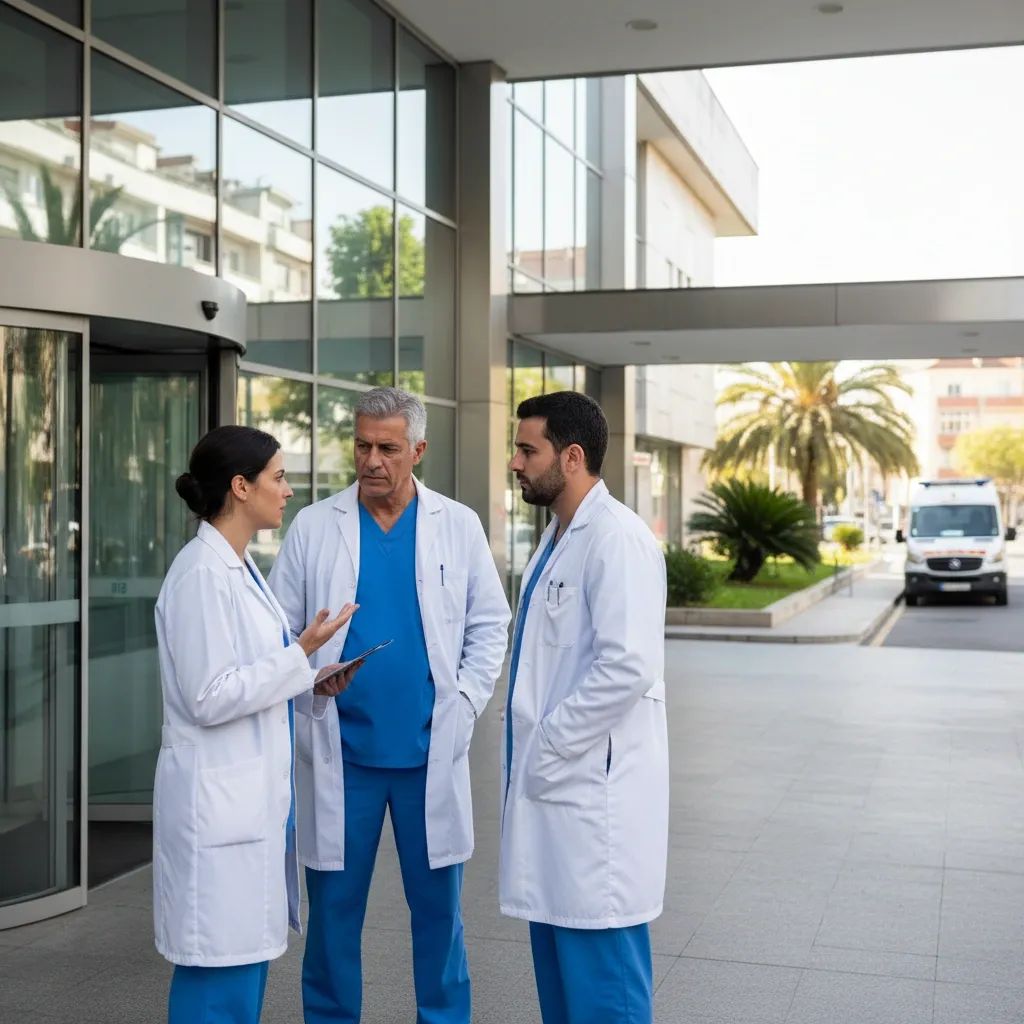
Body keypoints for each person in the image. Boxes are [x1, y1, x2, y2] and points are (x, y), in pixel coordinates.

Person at [269, 386, 511, 1024]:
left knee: (439, 919)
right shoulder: (315, 526)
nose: (372, 460)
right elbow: (276, 631)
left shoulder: (456, 525)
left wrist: (463, 699)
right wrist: (307, 674)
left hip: (428, 753)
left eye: (388, 448)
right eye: (362, 445)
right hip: (339, 757)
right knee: (333, 920)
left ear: (419, 450)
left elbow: (491, 624)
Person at [154, 425, 364, 1024]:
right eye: (277, 477)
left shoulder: (241, 570)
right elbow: (209, 695)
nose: (288, 490)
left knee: (240, 978)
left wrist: (309, 678)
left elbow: (250, 677)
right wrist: (299, 656)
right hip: (216, 812)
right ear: (240, 487)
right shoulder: (200, 576)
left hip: (245, 809)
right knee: (215, 987)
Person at [501, 391, 669, 1024]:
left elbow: (627, 665)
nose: (515, 463)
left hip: (593, 804)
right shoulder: (559, 538)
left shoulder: (618, 539)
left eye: (526, 450)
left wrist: (547, 742)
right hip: (557, 798)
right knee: (565, 990)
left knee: (605, 993)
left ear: (571, 457)